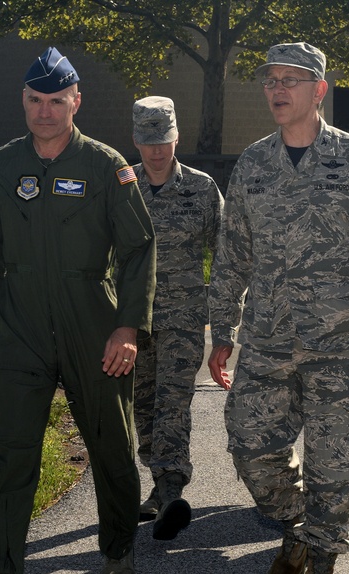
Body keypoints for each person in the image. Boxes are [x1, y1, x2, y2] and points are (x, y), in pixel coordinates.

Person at [207, 42, 349, 574]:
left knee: (336, 468)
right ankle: (296, 531)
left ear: (319, 90)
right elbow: (232, 257)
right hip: (268, 341)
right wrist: (223, 331)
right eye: (271, 80)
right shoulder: (251, 164)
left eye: (291, 81)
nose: (278, 90)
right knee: (248, 444)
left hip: (338, 345)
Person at [0, 46, 157, 574]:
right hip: (21, 324)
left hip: (93, 322)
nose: (45, 112)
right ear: (22, 101)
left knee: (110, 443)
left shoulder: (106, 166)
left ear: (76, 101)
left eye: (56, 101)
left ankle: (118, 548)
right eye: (34, 100)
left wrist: (128, 326)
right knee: (10, 451)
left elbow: (139, 247)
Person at [129, 96, 224, 540]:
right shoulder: (120, 187)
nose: (156, 151)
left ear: (177, 137)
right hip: (133, 319)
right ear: (135, 140)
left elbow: (226, 257)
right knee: (143, 407)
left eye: (164, 141)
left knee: (172, 405)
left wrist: (226, 323)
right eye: (148, 142)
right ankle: (158, 482)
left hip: (184, 317)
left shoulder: (202, 189)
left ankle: (171, 490)